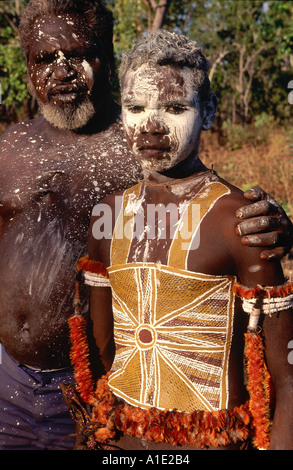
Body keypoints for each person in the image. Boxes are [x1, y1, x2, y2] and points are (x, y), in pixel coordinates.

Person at [0, 0, 291, 450]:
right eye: (45, 59)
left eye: (80, 54)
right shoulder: (11, 149)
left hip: (154, 411)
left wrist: (271, 222)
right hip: (16, 386)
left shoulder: (139, 143)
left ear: (107, 57)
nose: (63, 70)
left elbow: (197, 200)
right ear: (26, 66)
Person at [72, 30, 293, 451]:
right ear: (123, 117)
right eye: (136, 107)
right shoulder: (109, 214)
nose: (152, 124)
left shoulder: (241, 222)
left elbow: (285, 378)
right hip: (118, 441)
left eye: (175, 107)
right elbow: (99, 352)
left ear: (208, 112)